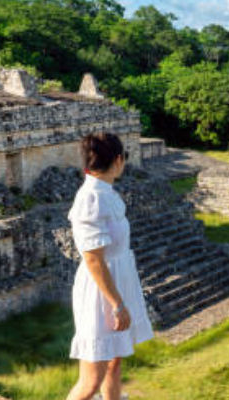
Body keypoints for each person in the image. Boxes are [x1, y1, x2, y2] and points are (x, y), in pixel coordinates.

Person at [66, 133, 153, 400]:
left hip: (117, 282)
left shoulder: (106, 192)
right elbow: (93, 259)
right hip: (100, 293)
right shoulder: (91, 198)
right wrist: (117, 304)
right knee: (91, 380)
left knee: (115, 363)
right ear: (118, 160)